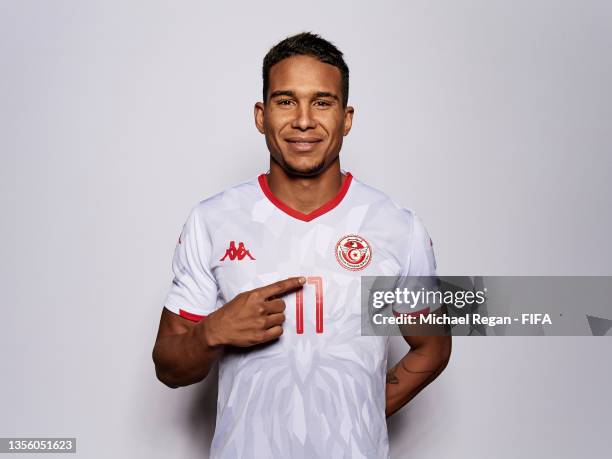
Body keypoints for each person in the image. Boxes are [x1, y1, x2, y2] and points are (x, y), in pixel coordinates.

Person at [152, 32, 451, 459]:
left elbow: (433, 345)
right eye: (286, 101)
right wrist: (212, 332)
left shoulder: (396, 226)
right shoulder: (212, 220)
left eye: (322, 102)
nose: (304, 120)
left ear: (346, 118)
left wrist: (361, 413)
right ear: (261, 114)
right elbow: (168, 365)